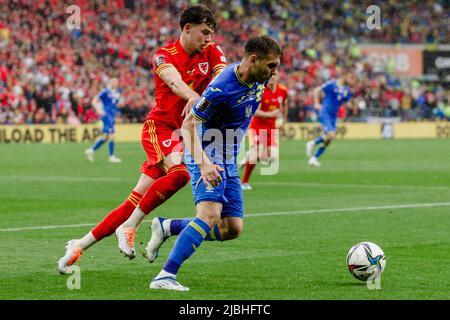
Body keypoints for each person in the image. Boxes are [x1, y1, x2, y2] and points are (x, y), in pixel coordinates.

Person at [57, 5, 227, 274]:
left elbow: (222, 78)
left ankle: (78, 245)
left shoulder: (213, 51)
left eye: (211, 33)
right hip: (160, 128)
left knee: (134, 200)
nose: (208, 38)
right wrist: (195, 98)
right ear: (187, 28)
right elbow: (173, 82)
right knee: (181, 174)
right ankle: (131, 226)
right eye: (204, 33)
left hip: (185, 133)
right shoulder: (163, 55)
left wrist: (208, 96)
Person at [148, 36, 282, 291]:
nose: (274, 72)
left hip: (228, 158)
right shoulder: (222, 87)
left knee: (232, 227)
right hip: (207, 155)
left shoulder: (258, 80)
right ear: (253, 60)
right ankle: (165, 276)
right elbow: (188, 125)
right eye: (272, 65)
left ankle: (168, 226)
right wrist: (205, 164)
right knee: (209, 215)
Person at [241, 72, 287, 190]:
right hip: (257, 127)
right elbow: (254, 112)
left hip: (271, 128)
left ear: (278, 77)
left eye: (274, 76)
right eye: (270, 76)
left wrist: (284, 121)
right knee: (257, 153)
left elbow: (284, 105)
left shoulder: (283, 91)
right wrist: (270, 114)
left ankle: (248, 156)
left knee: (272, 157)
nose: (272, 78)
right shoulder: (260, 90)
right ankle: (244, 182)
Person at [306, 67, 356, 167]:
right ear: (345, 76)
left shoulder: (346, 90)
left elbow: (345, 102)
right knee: (331, 135)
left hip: (333, 116)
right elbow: (316, 90)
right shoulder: (332, 84)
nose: (353, 81)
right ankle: (313, 142)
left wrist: (351, 106)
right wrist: (316, 103)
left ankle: (314, 158)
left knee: (329, 140)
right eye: (351, 78)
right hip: (325, 113)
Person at [85, 77, 123, 163]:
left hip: (111, 115)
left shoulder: (117, 92)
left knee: (105, 137)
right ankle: (111, 156)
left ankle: (91, 150)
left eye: (117, 82)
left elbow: (114, 104)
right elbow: (94, 101)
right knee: (112, 134)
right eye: (114, 82)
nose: (116, 83)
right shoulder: (105, 91)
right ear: (110, 82)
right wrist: (98, 110)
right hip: (106, 115)